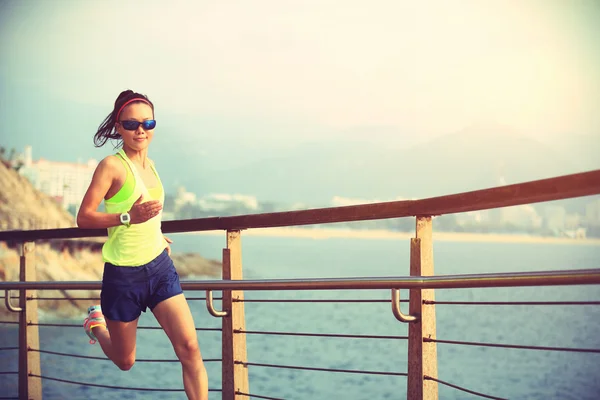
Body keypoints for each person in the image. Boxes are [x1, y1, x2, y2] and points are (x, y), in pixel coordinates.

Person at [77, 90, 208, 400]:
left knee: (189, 348)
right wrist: (128, 217)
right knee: (125, 361)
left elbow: (148, 213)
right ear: (118, 127)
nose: (141, 130)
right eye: (132, 124)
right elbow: (84, 217)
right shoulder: (112, 166)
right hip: (124, 277)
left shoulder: (152, 166)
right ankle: (96, 324)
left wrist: (155, 234)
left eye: (148, 123)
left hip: (160, 269)